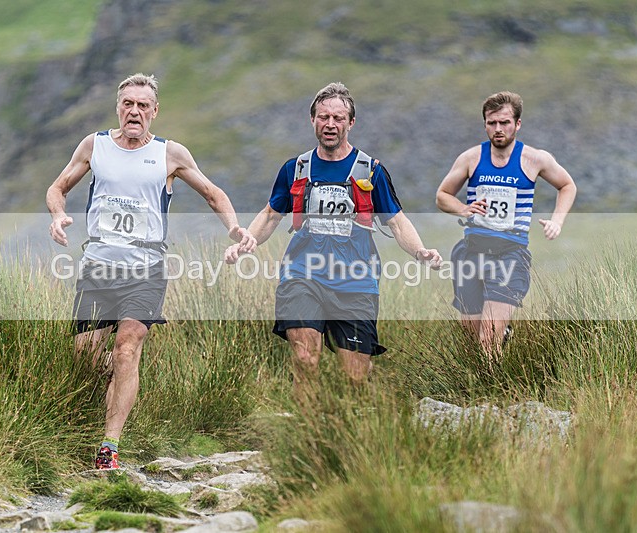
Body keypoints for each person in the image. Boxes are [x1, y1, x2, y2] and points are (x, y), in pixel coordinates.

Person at [46, 73, 256, 470]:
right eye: (128, 104)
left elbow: (214, 195)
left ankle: (109, 446)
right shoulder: (95, 145)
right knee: (86, 357)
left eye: (143, 106)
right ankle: (121, 381)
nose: (135, 112)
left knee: (127, 347)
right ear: (118, 107)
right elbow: (58, 187)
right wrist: (58, 216)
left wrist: (234, 228)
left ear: (155, 112)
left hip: (146, 268)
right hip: (99, 266)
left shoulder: (169, 154)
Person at [224, 82, 441, 402]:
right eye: (323, 117)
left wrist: (420, 251)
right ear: (312, 120)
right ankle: (307, 440)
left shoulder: (371, 170)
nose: (330, 124)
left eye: (338, 118)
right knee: (304, 359)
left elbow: (396, 221)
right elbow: (271, 214)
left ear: (351, 123)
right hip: (302, 275)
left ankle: (344, 441)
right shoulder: (295, 169)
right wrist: (248, 240)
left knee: (355, 378)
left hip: (356, 282)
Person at [436, 91, 576, 361]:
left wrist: (558, 221)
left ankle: (489, 395)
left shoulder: (535, 159)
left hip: (510, 255)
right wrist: (464, 208)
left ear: (517, 124)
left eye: (504, 123)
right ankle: (499, 341)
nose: (498, 129)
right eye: (491, 123)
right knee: (470, 333)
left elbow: (567, 185)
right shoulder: (471, 158)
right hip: (471, 253)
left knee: (488, 336)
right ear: (485, 124)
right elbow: (442, 196)